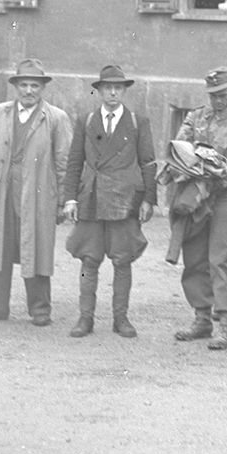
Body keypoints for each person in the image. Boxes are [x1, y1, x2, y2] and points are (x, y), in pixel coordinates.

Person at [0, 59, 72, 326]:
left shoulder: (56, 118)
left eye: (34, 85)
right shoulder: (1, 113)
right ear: (16, 87)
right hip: (1, 191)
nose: (29, 91)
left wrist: (62, 202)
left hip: (37, 195)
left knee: (35, 248)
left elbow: (64, 163)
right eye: (24, 85)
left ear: (42, 88)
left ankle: (40, 309)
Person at [60, 64, 156, 338]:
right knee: (89, 261)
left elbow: (148, 162)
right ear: (99, 91)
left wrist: (149, 199)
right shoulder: (86, 120)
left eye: (118, 88)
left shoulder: (138, 121)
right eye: (107, 88)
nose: (113, 93)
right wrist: (70, 198)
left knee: (122, 260)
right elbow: (75, 161)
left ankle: (120, 319)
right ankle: (85, 318)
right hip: (91, 197)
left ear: (124, 91)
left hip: (124, 200)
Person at [172, 66, 227, 350]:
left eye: (222, 94)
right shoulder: (196, 116)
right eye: (213, 95)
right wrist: (194, 165)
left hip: (226, 195)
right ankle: (201, 318)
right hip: (197, 194)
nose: (217, 100)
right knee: (194, 256)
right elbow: (178, 148)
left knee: (221, 258)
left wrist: (209, 168)